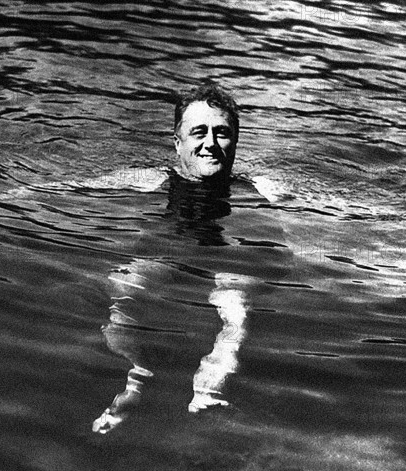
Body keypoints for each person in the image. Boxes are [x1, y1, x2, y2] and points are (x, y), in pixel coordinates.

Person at [92, 83, 293, 434]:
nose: (211, 143)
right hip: (170, 255)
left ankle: (212, 381)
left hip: (230, 258)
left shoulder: (261, 186)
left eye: (222, 133)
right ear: (177, 141)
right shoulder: (152, 178)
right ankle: (136, 375)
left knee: (235, 304)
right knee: (125, 286)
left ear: (236, 141)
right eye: (199, 132)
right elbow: (80, 185)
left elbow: (329, 204)